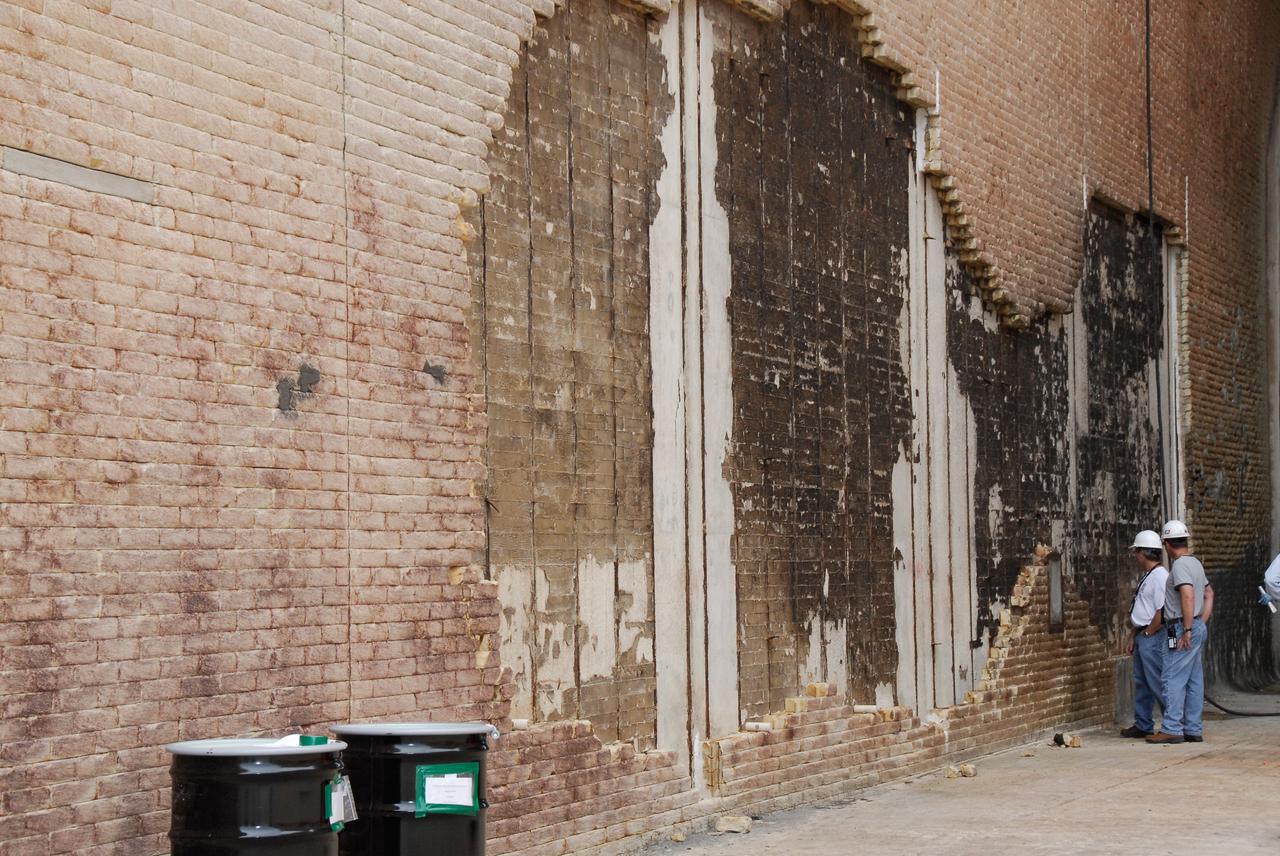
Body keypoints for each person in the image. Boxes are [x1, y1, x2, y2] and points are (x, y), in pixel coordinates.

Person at [1147, 520, 1213, 744]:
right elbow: (1209, 594)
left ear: (1166, 544)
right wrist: (1199, 623)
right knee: (1194, 680)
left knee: (1172, 677)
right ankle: (1193, 728)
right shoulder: (1195, 563)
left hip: (1182, 627)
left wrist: (1187, 628)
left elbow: (1187, 595)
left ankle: (1172, 728)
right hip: (1194, 625)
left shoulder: (1181, 566)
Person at [1120, 530, 1168, 738]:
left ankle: (1173, 723)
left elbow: (1162, 611)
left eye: (1137, 551)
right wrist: (1135, 635)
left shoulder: (1160, 577)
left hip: (1152, 635)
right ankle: (1143, 723)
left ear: (1143, 553)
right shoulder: (1151, 576)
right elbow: (1144, 609)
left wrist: (1148, 633)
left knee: (1157, 680)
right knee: (1142, 680)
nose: (1135, 556)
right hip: (1144, 633)